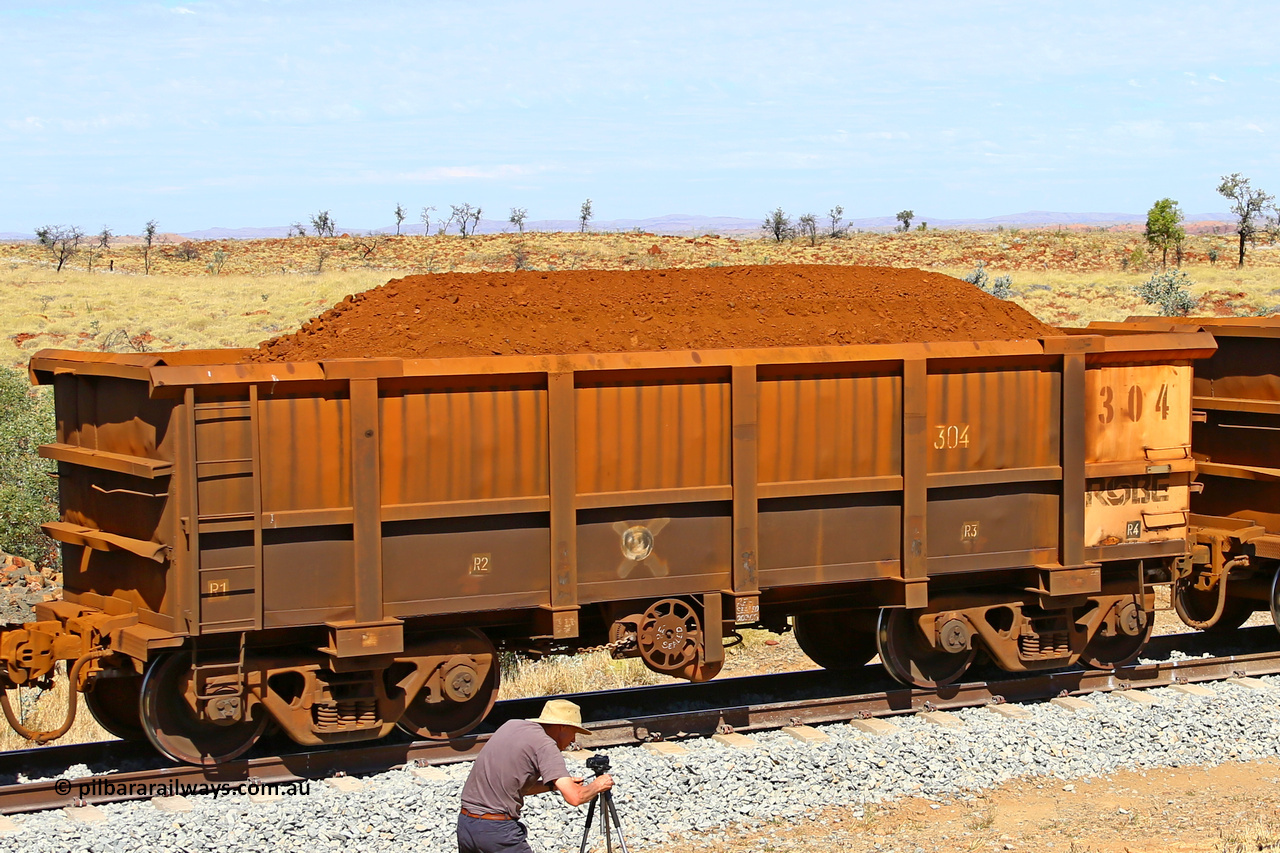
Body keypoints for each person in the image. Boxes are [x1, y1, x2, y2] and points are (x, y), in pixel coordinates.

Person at [457, 698, 614, 853]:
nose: (574, 740)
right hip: (497, 832)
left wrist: (552, 785)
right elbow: (575, 797)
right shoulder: (546, 745)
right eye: (574, 732)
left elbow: (514, 787)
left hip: (466, 825)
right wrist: (598, 784)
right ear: (563, 727)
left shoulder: (512, 725)